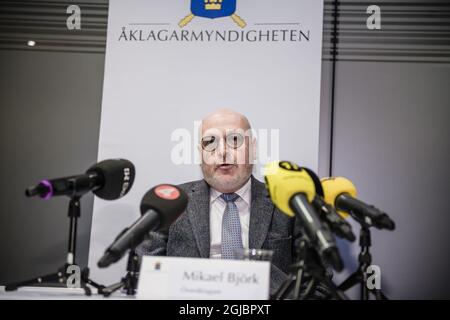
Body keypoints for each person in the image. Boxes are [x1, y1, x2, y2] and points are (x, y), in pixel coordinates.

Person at [136, 108, 328, 298]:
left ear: (253, 148)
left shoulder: (287, 203)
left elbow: (319, 285)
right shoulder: (173, 204)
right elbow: (142, 274)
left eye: (235, 140)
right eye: (210, 142)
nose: (223, 152)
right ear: (199, 153)